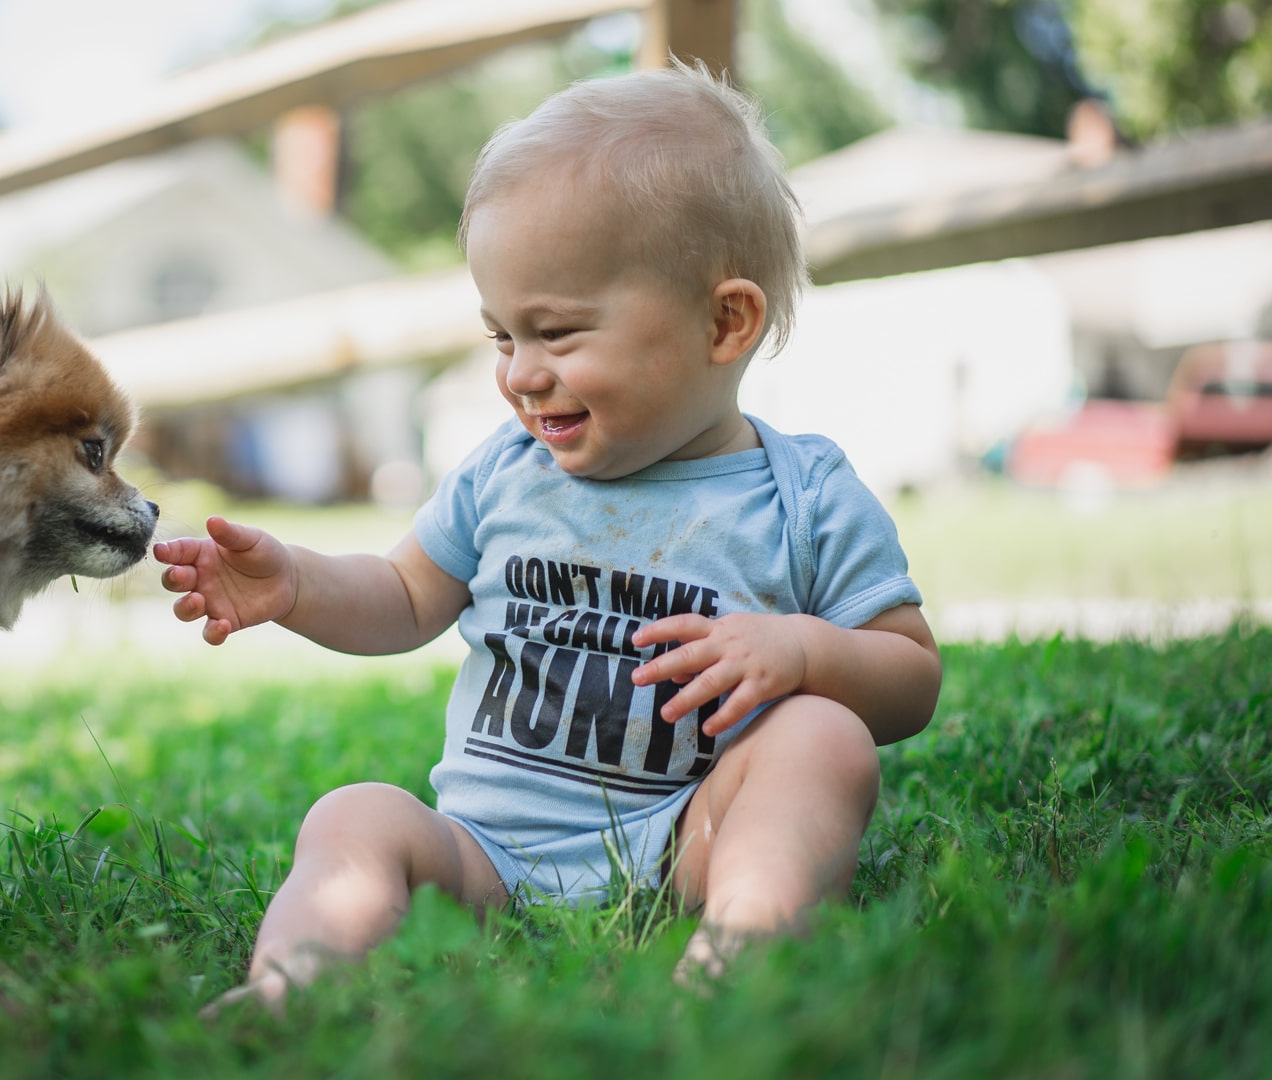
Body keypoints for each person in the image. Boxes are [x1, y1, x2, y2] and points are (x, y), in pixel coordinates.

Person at [153, 61, 942, 1010]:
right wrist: (298, 586)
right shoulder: (503, 473)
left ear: (724, 321)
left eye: (559, 334)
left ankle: (742, 947)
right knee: (355, 814)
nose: (521, 375)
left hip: (688, 844)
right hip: (482, 858)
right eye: (501, 338)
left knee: (824, 738)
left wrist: (804, 651)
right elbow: (406, 598)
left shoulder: (803, 494)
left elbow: (909, 676)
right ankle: (293, 985)